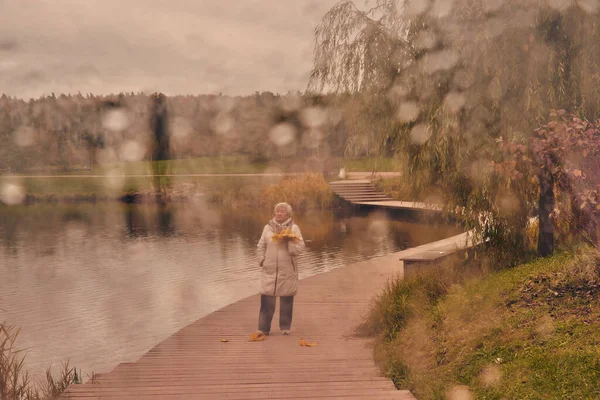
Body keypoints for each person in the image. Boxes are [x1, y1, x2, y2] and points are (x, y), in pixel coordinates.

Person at [254, 202, 305, 337]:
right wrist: (262, 261)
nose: (279, 213)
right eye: (277, 211)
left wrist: (289, 241)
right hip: (269, 269)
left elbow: (300, 247)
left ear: (288, 214)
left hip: (287, 270)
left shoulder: (294, 228)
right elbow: (260, 246)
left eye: (282, 211)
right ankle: (263, 328)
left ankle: (285, 328)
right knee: (266, 299)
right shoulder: (267, 228)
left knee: (286, 299)